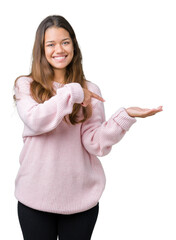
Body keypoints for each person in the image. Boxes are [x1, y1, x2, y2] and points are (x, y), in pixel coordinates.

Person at [13, 15, 162, 240]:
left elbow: (95, 143)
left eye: (65, 42)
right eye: (50, 44)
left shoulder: (90, 90)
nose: (58, 49)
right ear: (41, 50)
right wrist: (74, 92)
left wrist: (125, 116)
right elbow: (35, 120)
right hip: (34, 199)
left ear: (73, 45)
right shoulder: (26, 85)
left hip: (80, 201)